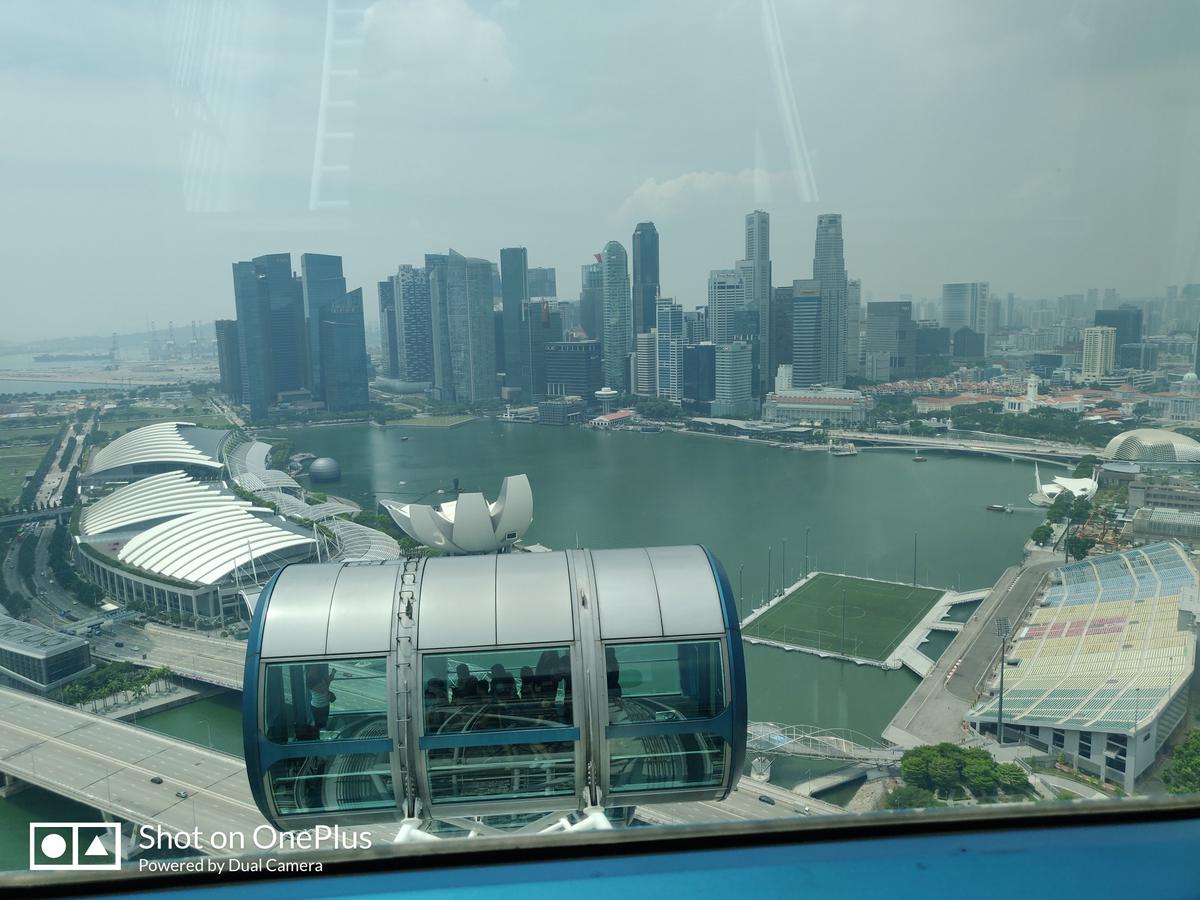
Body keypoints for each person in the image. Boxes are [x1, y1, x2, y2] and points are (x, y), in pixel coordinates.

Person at [307, 664, 336, 732]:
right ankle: (318, 735)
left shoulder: (315, 679)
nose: (315, 669)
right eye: (314, 668)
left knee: (321, 723)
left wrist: (332, 674)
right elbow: (324, 688)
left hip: (320, 705)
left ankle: (319, 735)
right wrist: (332, 674)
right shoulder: (312, 681)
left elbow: (326, 684)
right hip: (320, 706)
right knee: (320, 724)